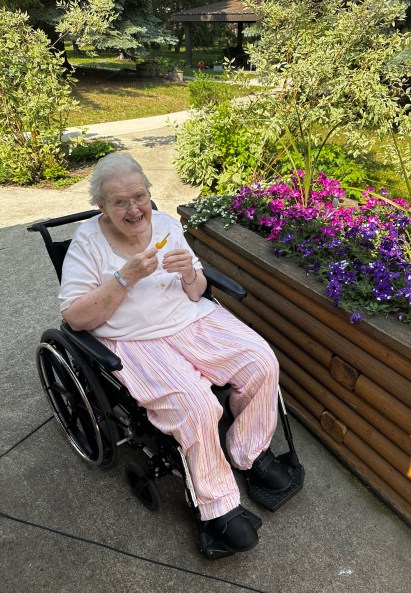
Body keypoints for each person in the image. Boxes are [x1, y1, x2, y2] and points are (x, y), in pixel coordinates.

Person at [59, 152, 294, 553]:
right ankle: (217, 504)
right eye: (120, 202)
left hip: (191, 320)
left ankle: (249, 451)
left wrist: (189, 273)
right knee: (198, 407)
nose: (135, 209)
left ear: (149, 192)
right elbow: (75, 317)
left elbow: (197, 290)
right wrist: (125, 277)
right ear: (102, 206)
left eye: (139, 196)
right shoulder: (88, 243)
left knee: (261, 361)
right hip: (135, 340)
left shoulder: (166, 224)